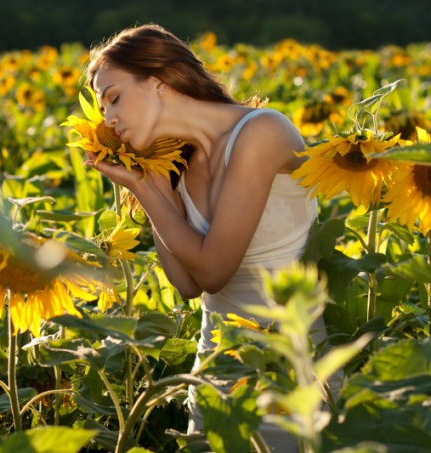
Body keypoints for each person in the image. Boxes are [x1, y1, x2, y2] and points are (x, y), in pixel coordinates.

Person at [83, 23, 325, 451]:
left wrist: (142, 187)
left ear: (157, 82)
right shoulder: (175, 168)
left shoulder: (262, 132)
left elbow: (213, 270)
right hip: (213, 369)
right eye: (102, 111)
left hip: (287, 369)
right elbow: (188, 284)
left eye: (114, 98)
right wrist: (149, 179)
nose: (108, 119)